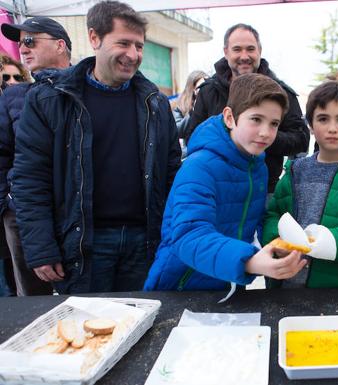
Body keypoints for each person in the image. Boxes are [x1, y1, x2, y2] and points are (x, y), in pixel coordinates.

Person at [12, 1, 181, 294]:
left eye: (139, 46)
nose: (133, 55)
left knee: (144, 325)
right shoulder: (50, 100)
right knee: (87, 332)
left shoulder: (155, 102)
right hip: (83, 246)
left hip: (144, 243)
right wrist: (41, 247)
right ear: (94, 38)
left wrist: (173, 237)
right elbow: (30, 178)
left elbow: (171, 174)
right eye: (123, 43)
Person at [144, 73, 307, 291]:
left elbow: (256, 223)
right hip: (181, 287)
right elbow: (188, 236)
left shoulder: (257, 166)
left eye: (274, 123)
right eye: (256, 119)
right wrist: (249, 261)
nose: (266, 133)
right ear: (230, 118)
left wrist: (276, 245)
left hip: (228, 285)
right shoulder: (199, 167)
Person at [262, 81, 338, 288]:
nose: (332, 128)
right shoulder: (295, 171)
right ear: (310, 124)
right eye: (323, 119)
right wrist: (278, 241)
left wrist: (329, 241)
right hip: (287, 284)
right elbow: (273, 215)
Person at [187, 23, 309, 193]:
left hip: (263, 191)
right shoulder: (209, 91)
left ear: (259, 50)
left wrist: (262, 137)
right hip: (216, 188)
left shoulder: (281, 92)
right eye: (237, 49)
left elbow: (301, 140)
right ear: (226, 52)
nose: (244, 56)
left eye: (250, 49)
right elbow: (193, 137)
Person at [0, 16, 73, 296]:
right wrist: (8, 207)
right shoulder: (14, 97)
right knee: (32, 304)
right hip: (24, 215)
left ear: (60, 45)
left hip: (72, 214)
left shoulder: (87, 90)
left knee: (83, 300)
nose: (23, 49)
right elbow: (3, 156)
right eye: (20, 44)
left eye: (30, 41)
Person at [173, 70, 207, 144]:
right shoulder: (181, 105)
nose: (204, 90)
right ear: (192, 89)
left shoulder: (212, 101)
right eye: (200, 87)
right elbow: (177, 130)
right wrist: (194, 110)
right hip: (190, 149)